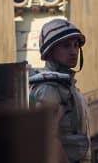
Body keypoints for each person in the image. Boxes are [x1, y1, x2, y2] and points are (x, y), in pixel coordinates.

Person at [29, 18, 91, 163]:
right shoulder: (49, 88)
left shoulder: (65, 85)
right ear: (50, 51)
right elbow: (46, 137)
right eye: (66, 46)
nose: (73, 51)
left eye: (76, 45)